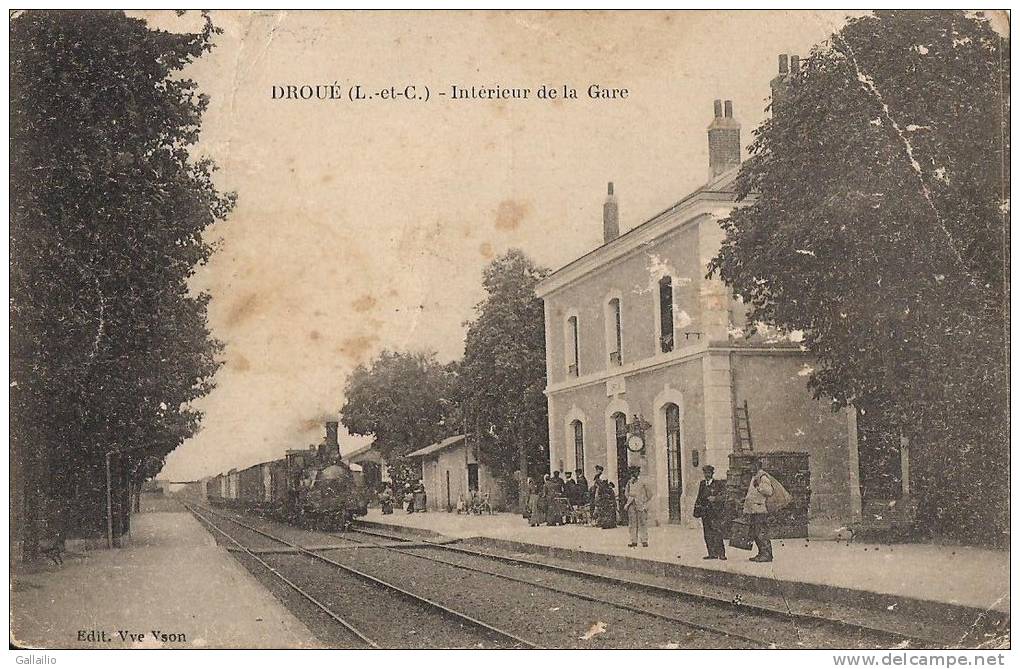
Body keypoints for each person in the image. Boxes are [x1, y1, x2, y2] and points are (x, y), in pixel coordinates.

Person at [743, 458, 774, 562]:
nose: (750, 468)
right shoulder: (755, 476)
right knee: (756, 533)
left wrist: (759, 487)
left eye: (752, 465)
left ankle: (766, 554)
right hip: (753, 510)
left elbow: (769, 491)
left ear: (757, 465)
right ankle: (761, 553)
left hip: (759, 510)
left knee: (761, 533)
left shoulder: (762, 476)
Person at [694, 465, 727, 560]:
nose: (706, 475)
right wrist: (697, 510)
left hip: (715, 513)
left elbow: (724, 496)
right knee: (707, 533)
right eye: (705, 473)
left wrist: (715, 498)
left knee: (717, 532)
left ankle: (721, 554)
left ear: (712, 474)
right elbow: (699, 497)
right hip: (705, 512)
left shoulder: (718, 484)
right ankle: (711, 553)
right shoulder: (702, 484)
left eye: (708, 473)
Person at [624, 467, 653, 547]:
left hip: (641, 504)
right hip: (631, 504)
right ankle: (634, 541)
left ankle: (644, 540)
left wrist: (644, 501)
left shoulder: (643, 482)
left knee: (642, 523)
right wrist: (630, 499)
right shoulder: (629, 482)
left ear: (638, 473)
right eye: (632, 473)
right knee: (632, 523)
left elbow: (650, 494)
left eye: (635, 472)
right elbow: (626, 493)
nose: (634, 474)